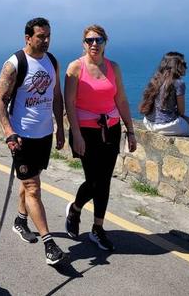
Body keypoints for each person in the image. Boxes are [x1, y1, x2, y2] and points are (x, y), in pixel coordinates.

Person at [0, 17, 68, 266]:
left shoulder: (52, 62)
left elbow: (57, 96)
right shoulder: (14, 64)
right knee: (34, 188)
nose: (46, 40)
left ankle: (20, 221)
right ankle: (49, 244)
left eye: (48, 36)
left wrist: (60, 128)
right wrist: (8, 132)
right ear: (27, 38)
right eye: (40, 37)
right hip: (22, 137)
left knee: (30, 182)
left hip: (44, 135)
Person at [64, 24, 136, 253]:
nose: (94, 44)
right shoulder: (75, 68)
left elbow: (121, 100)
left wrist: (130, 130)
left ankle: (98, 228)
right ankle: (75, 209)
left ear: (106, 42)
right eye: (90, 40)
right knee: (94, 180)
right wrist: (76, 134)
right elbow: (69, 104)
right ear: (83, 44)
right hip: (86, 131)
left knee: (105, 181)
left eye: (99, 40)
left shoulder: (113, 68)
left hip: (111, 129)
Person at [139, 52, 189, 136]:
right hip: (166, 126)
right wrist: (184, 117)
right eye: (184, 64)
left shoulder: (156, 79)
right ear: (176, 66)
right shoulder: (178, 83)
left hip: (148, 123)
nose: (186, 67)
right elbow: (181, 111)